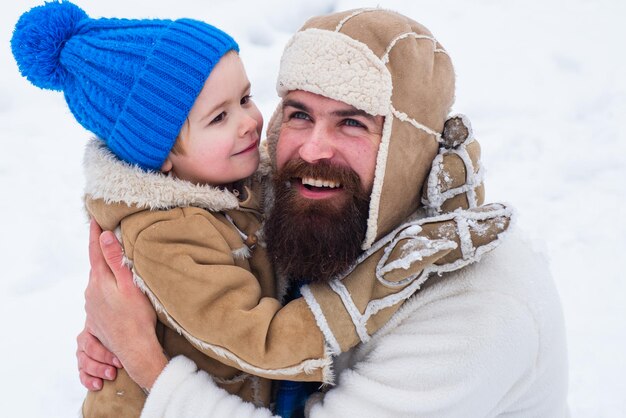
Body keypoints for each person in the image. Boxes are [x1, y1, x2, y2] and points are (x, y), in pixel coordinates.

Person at [13, 3, 514, 418]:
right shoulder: (169, 232)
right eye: (297, 113)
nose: (252, 125)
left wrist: (139, 350)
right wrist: (382, 277)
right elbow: (267, 342)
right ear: (161, 156)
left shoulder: (473, 320)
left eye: (247, 99)